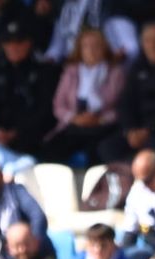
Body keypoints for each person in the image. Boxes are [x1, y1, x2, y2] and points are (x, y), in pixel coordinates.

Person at [106, 22, 155, 164]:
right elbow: (125, 102)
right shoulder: (137, 66)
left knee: (153, 152)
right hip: (137, 130)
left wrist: (148, 130)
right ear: (142, 44)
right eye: (148, 41)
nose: (153, 46)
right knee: (108, 147)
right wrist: (129, 130)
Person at [43, 27, 125, 164]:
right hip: (74, 124)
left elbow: (121, 106)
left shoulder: (116, 73)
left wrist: (100, 120)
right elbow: (58, 105)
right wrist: (74, 118)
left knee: (98, 151)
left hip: (103, 127)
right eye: (86, 46)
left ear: (104, 48)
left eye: (96, 46)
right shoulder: (70, 71)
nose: (91, 50)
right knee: (51, 149)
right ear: (79, 49)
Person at [0, 18, 59, 159]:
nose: (13, 47)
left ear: (29, 43)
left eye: (19, 42)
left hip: (33, 139)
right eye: (8, 43)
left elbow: (46, 111)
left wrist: (17, 132)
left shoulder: (44, 70)